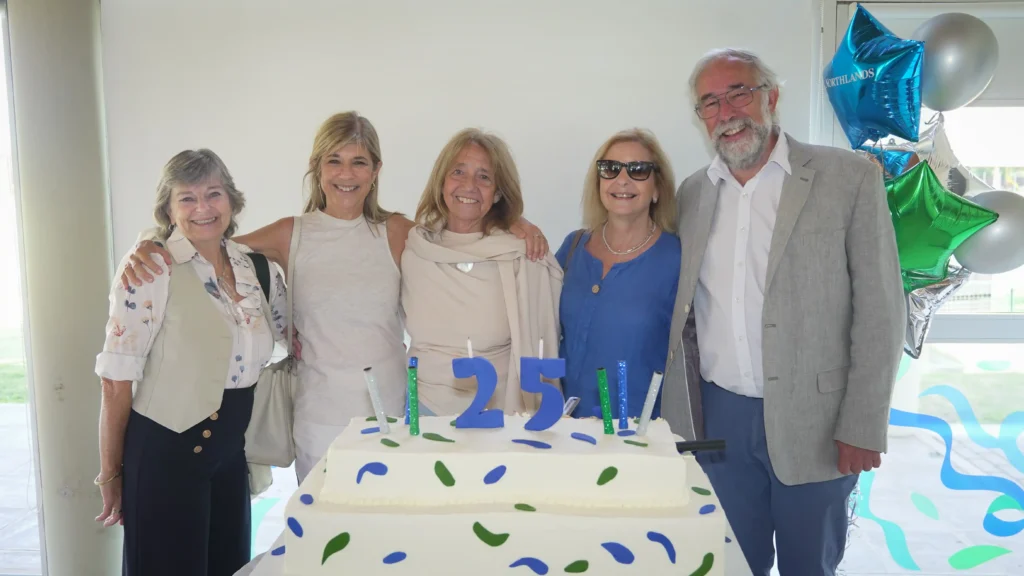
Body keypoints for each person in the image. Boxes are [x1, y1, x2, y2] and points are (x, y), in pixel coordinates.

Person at [119, 113, 550, 482]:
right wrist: (151, 241)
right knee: (324, 531)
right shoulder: (291, 233)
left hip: (393, 412)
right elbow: (208, 242)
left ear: (375, 170)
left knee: (388, 531)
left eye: (359, 162)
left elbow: (460, 231)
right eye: (335, 161)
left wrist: (517, 224)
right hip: (318, 416)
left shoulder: (397, 232)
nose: (347, 174)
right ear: (317, 167)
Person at [661, 49, 904, 575]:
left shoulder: (848, 177)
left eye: (739, 93)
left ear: (771, 97)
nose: (726, 112)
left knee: (808, 565)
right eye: (710, 102)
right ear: (700, 117)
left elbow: (882, 310)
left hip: (816, 420)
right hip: (720, 418)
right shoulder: (693, 194)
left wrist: (863, 423)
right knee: (731, 562)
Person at [94, 149, 288, 575]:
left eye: (213, 193)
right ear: (168, 209)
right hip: (164, 454)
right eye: (187, 197)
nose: (203, 207)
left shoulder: (256, 269)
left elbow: (294, 336)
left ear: (232, 200)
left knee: (229, 567)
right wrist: (111, 472)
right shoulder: (151, 268)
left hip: (229, 455)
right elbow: (115, 378)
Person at [402, 128, 563, 415]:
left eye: (484, 177)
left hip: (502, 414)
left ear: (498, 192)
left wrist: (517, 222)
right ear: (441, 182)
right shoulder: (413, 247)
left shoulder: (523, 254)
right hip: (422, 410)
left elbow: (544, 343)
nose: (469, 185)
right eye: (458, 172)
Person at [556, 129, 680, 420]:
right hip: (566, 428)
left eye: (638, 170)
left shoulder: (677, 259)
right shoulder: (573, 247)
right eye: (610, 168)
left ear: (657, 188)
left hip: (637, 432)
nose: (622, 180)